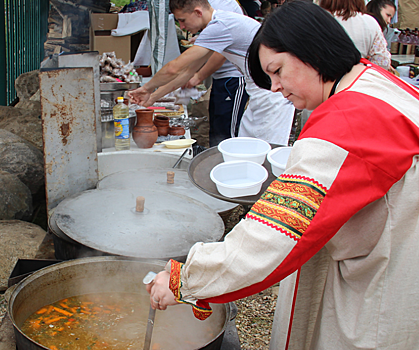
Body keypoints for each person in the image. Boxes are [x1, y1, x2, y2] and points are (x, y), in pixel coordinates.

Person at [146, 1, 419, 349]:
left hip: (390, 277)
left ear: (312, 50)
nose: (275, 87)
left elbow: (275, 233)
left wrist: (185, 278)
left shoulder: (345, 126)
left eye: (278, 70)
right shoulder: (372, 81)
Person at [129, 0, 294, 146]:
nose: (182, 27)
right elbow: (187, 72)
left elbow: (175, 67)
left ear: (198, 12)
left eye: (182, 20)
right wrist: (152, 98)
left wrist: (147, 88)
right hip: (260, 91)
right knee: (247, 146)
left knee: (265, 151)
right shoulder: (215, 25)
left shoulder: (220, 26)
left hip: (273, 93)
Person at [183, 0, 249, 147]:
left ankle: (226, 165)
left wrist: (198, 76)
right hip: (222, 77)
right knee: (216, 129)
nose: (182, 26)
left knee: (226, 134)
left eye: (182, 21)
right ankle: (216, 163)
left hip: (233, 78)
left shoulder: (223, 5)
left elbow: (221, 52)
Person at [319, 0, 391, 70]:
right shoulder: (370, 22)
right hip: (357, 77)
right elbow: (382, 62)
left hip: (323, 76)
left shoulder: (318, 19)